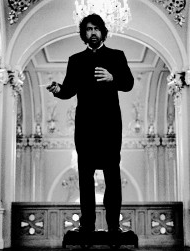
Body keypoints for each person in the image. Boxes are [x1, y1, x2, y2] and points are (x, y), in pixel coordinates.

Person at [47, 13, 134, 233]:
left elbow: (129, 83)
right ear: (83, 34)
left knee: (112, 176)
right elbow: (69, 90)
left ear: (103, 32)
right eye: (88, 29)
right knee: (85, 176)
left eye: (96, 29)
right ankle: (87, 226)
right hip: (85, 125)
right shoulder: (76, 60)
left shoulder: (117, 56)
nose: (92, 32)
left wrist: (112, 77)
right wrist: (58, 90)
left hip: (110, 125)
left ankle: (114, 226)